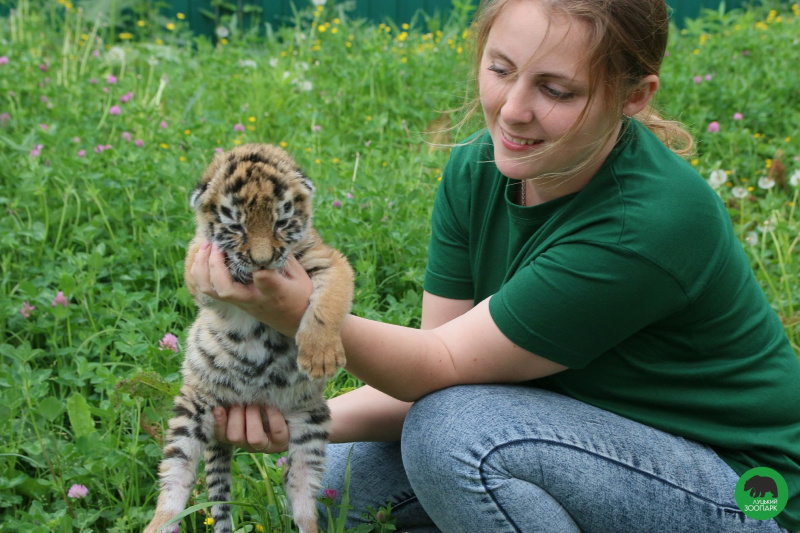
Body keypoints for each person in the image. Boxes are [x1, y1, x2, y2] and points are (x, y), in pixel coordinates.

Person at [190, 0, 800, 531]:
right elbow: (433, 372)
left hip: (750, 496)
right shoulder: (482, 167)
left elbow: (440, 373)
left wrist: (303, 312)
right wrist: (296, 418)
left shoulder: (645, 223)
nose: (512, 110)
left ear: (634, 97)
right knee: (328, 488)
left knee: (456, 437)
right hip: (593, 449)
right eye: (501, 70)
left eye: (556, 90)